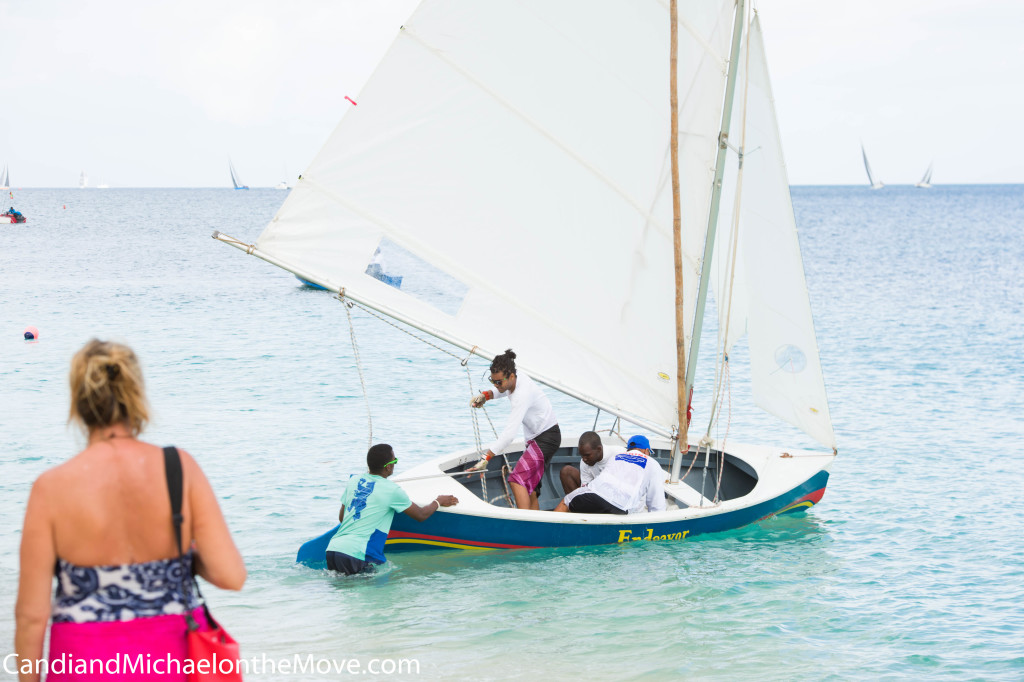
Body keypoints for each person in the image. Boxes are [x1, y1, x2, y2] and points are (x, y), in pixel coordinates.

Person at [15, 339, 246, 682]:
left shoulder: (50, 487)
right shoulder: (179, 468)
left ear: (78, 403)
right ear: (136, 397)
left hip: (81, 662)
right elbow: (231, 576)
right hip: (169, 658)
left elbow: (32, 616)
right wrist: (182, 559)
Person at [326, 443, 458, 575]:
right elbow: (421, 515)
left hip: (333, 549)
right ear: (388, 466)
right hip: (358, 553)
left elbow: (342, 518)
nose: (395, 464)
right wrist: (438, 501)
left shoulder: (354, 481)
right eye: (395, 461)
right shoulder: (392, 490)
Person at [468, 349, 561, 510]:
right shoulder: (516, 378)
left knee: (517, 480)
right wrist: (486, 395)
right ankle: (534, 525)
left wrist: (486, 458)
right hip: (538, 438)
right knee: (529, 488)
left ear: (511, 376)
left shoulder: (521, 396)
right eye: (493, 381)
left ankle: (524, 525)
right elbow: (504, 389)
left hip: (546, 438)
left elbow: (509, 435)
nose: (496, 385)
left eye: (499, 382)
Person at [553, 434, 667, 515]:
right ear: (646, 451)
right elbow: (657, 506)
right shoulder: (652, 463)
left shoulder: (616, 457)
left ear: (629, 449)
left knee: (566, 501)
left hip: (596, 494)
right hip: (622, 507)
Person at [559, 430, 623, 495]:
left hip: (619, 492)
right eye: (582, 455)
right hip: (599, 491)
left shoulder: (620, 453)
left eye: (587, 455)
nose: (584, 459)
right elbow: (585, 488)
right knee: (566, 471)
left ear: (599, 449)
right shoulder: (584, 462)